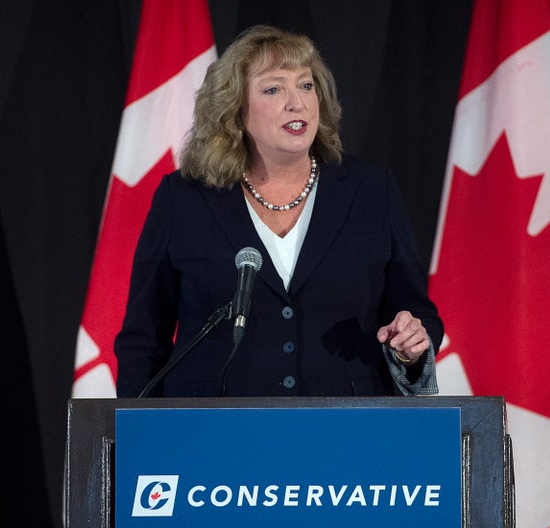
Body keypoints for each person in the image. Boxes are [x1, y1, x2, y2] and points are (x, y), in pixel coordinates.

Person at [114, 24, 443, 399]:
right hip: (213, 433)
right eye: (273, 89)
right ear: (233, 109)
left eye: (306, 85)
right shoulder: (184, 198)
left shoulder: (371, 190)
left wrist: (413, 341)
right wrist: (138, 440)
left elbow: (416, 310)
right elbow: (143, 338)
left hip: (347, 431)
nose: (297, 102)